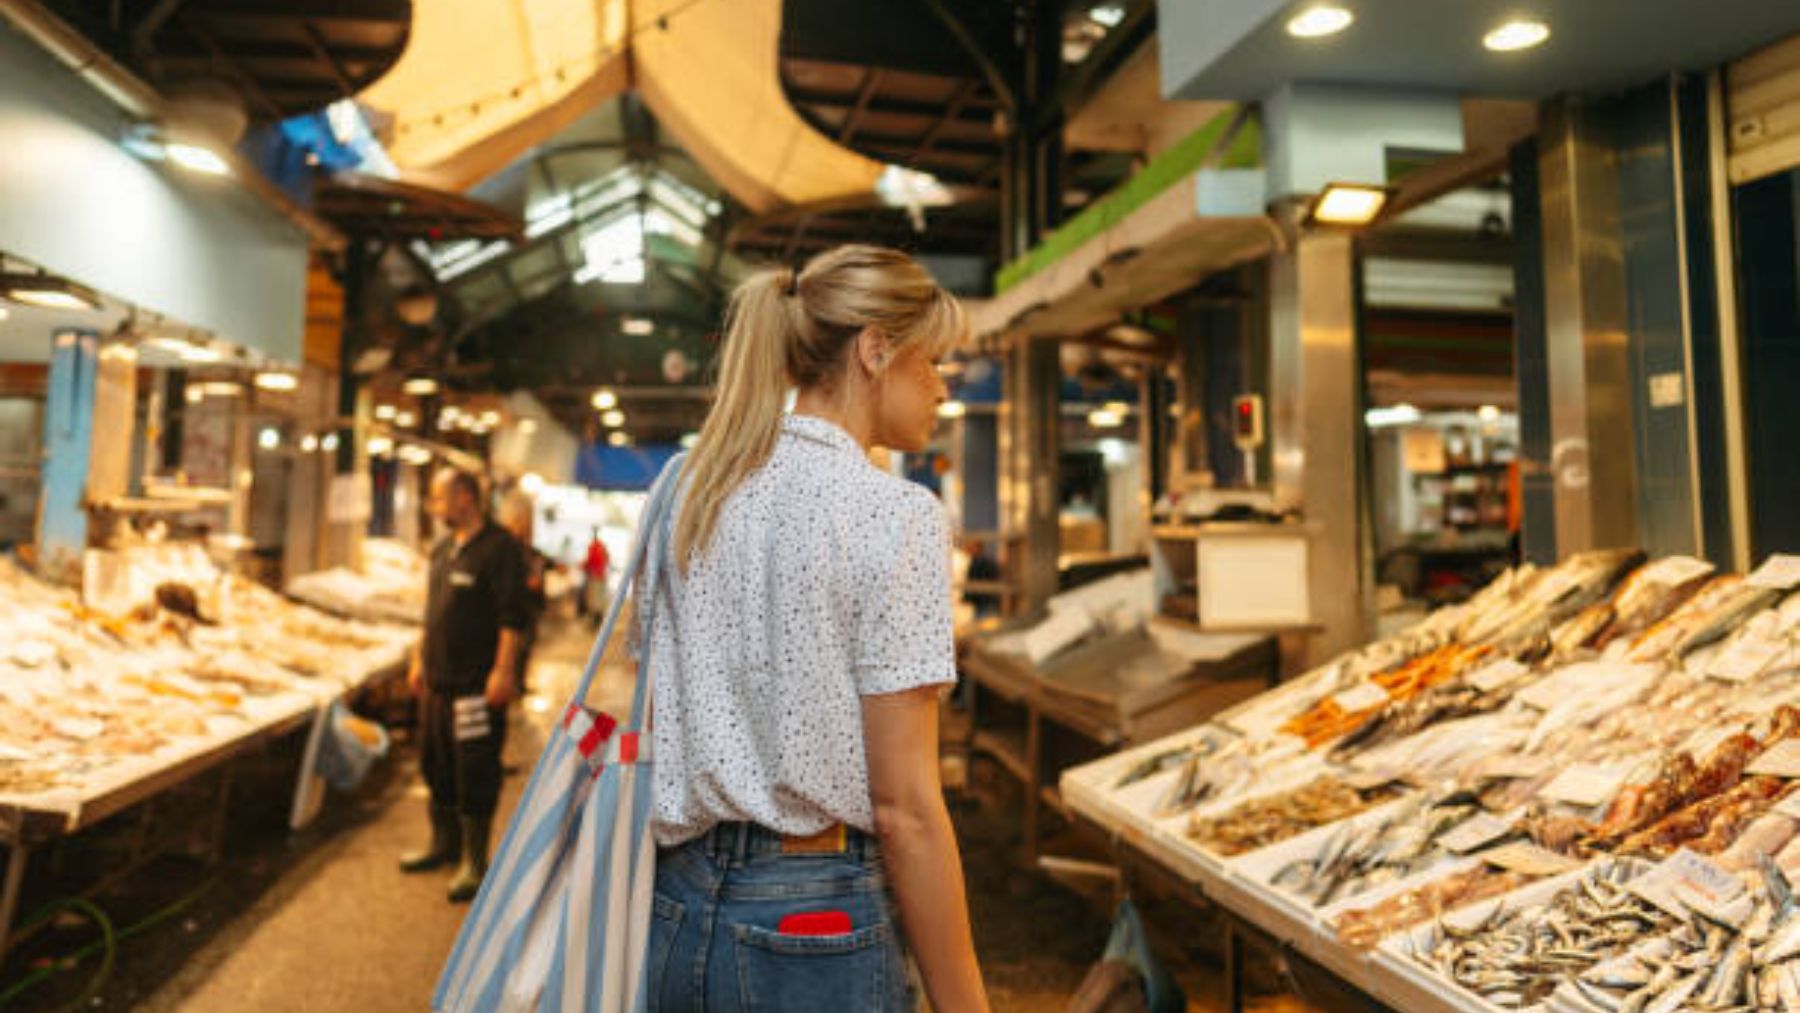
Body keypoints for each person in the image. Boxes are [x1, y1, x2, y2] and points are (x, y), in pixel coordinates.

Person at [638, 245, 988, 1011]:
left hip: (670, 907)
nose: (939, 388)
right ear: (875, 350)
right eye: (930, 361)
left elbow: (665, 714)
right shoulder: (894, 515)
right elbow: (906, 810)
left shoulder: (683, 494)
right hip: (811, 920)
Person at [400, 469, 528, 903]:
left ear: (466, 499)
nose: (434, 506)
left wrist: (504, 671)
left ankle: (475, 861)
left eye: (439, 497)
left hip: (475, 686)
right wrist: (419, 659)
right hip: (437, 682)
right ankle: (444, 845)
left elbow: (514, 618)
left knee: (474, 769)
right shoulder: (441, 550)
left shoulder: (501, 549)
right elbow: (430, 612)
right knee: (435, 764)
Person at [497, 490, 548, 695]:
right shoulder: (504, 546)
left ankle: (517, 685)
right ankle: (513, 685)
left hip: (526, 612)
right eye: (527, 518)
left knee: (524, 650)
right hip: (513, 615)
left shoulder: (526, 548)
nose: (529, 524)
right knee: (516, 651)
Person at [582, 527, 609, 626]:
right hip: (600, 575)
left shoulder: (594, 546)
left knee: (595, 597)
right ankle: (598, 617)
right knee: (599, 597)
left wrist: (585, 567)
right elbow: (607, 558)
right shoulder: (601, 546)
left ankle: (596, 618)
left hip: (596, 575)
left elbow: (590, 560)